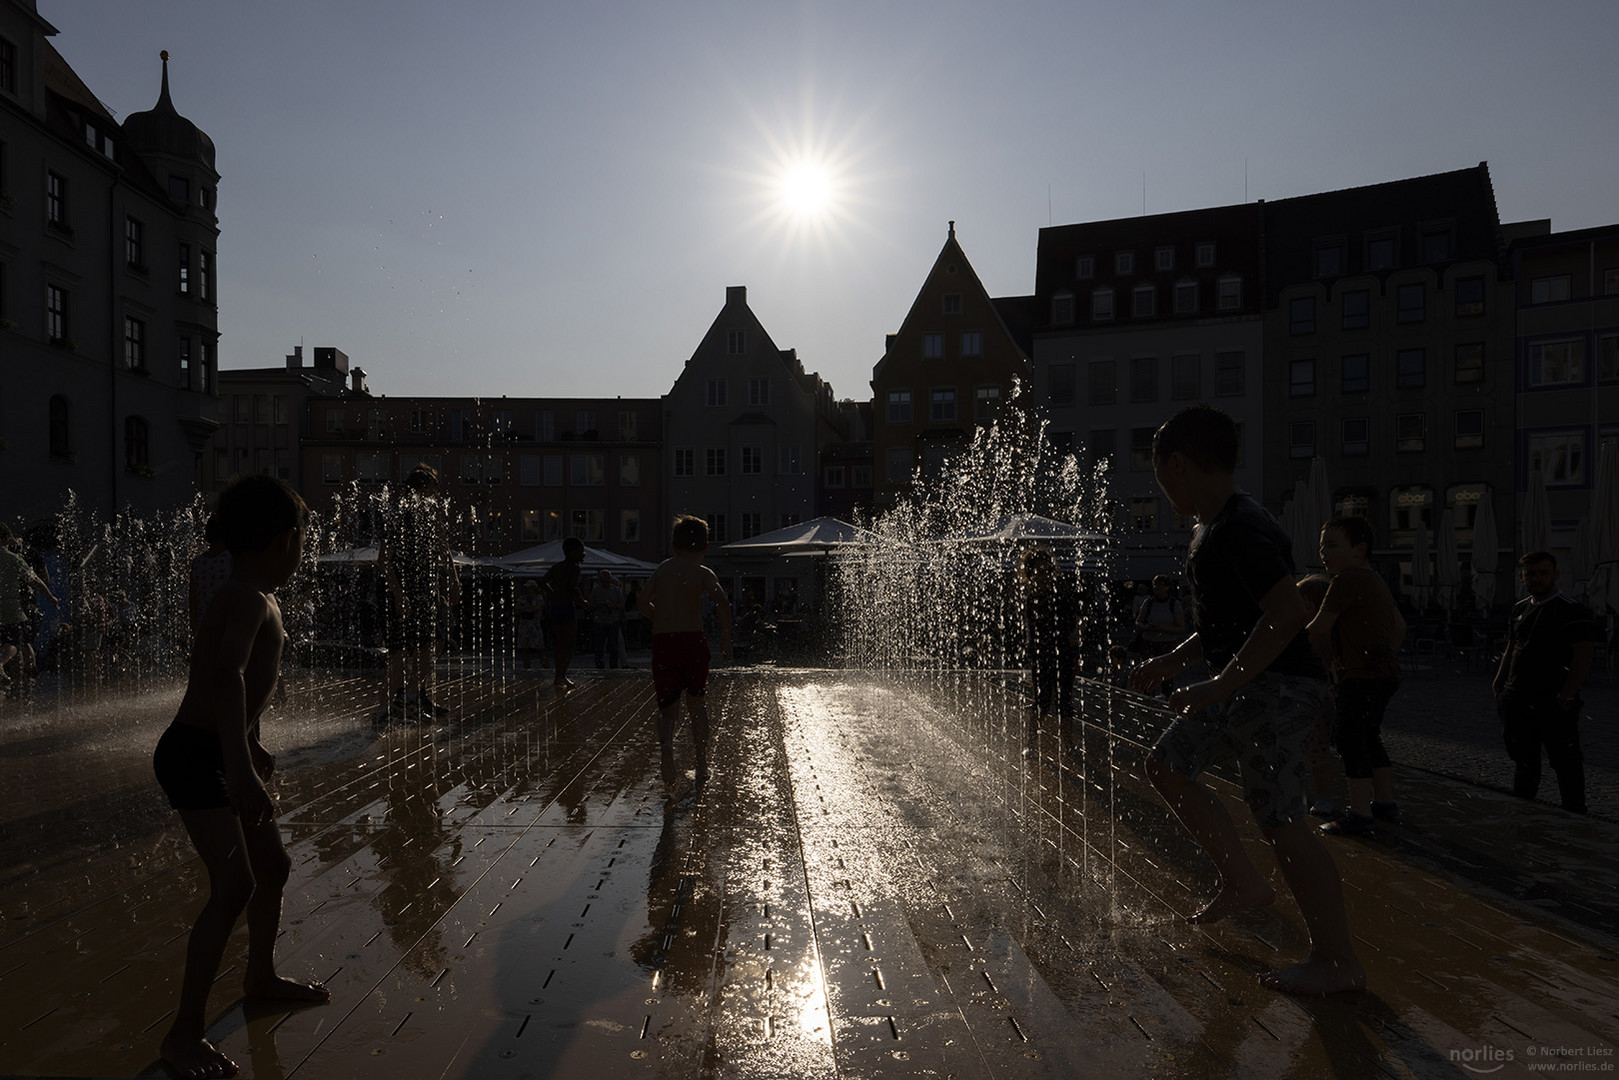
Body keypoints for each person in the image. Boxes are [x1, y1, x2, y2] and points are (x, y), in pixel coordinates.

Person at [1130, 405, 1363, 997]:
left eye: (1160, 475)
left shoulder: (1241, 527)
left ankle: (1337, 961)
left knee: (1280, 816)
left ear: (1177, 464)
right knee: (1166, 766)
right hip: (1238, 680)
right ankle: (1242, 881)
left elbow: (1286, 615)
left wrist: (1217, 683)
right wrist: (1173, 661)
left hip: (1279, 686)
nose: (1160, 488)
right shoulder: (1211, 527)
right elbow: (1225, 623)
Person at [150, 475, 329, 1080]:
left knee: (271, 868)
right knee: (233, 888)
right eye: (302, 539)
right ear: (284, 541)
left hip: (221, 748)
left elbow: (235, 688)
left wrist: (253, 743)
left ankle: (259, 974)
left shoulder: (249, 593)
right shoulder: (249, 598)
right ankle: (181, 1037)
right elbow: (224, 679)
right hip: (197, 755)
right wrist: (238, 766)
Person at [1308, 518, 1407, 836]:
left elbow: (1318, 629)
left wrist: (1280, 646)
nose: (1323, 551)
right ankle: (1385, 805)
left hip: (1360, 675)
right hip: (1382, 674)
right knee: (1369, 737)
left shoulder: (1346, 579)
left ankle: (1360, 815)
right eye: (1322, 545)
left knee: (1350, 740)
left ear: (1359, 549)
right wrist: (1382, 655)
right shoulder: (1373, 579)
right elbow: (1400, 627)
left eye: (1332, 545)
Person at [1493, 551, 1598, 814]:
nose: (1536, 579)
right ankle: (1523, 808)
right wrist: (1499, 682)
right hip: (1517, 698)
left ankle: (1574, 815)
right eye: (1530, 574)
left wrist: (1567, 694)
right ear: (1521, 577)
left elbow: (1583, 654)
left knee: (1565, 761)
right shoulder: (1519, 608)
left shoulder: (1571, 609)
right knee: (1524, 760)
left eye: (1543, 573)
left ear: (1555, 575)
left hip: (1553, 701)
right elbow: (1511, 646)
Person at [638, 515, 733, 793]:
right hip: (693, 641)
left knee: (668, 709)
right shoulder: (703, 572)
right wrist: (726, 638)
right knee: (697, 703)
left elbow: (642, 601)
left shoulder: (664, 569)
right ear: (705, 548)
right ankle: (702, 763)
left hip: (664, 642)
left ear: (673, 545)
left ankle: (667, 745)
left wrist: (660, 617)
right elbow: (722, 602)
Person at [379, 464, 461, 720]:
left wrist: (454, 579)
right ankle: (385, 708)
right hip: (403, 587)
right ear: (420, 489)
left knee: (437, 640)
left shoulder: (431, 515)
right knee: (399, 650)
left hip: (427, 588)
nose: (435, 495)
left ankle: (413, 695)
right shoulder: (399, 516)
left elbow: (443, 548)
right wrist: (397, 593)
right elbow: (383, 560)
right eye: (432, 489)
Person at [1018, 547, 1079, 753]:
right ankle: (1030, 743)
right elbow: (1030, 625)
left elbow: (1075, 618)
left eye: (1046, 571)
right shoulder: (1030, 598)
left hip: (1064, 651)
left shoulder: (1061, 592)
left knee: (1064, 699)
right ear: (1030, 573)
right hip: (1041, 653)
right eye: (1038, 572)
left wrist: (1074, 634)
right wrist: (1030, 643)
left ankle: (1068, 744)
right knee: (1041, 700)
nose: (1043, 576)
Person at [1295, 574, 1342, 820]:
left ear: (1312, 606)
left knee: (1316, 750)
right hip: (1305, 698)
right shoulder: (1315, 631)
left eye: (1299, 602)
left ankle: (1324, 798)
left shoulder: (1317, 633)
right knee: (1306, 750)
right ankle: (1312, 796)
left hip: (1315, 699)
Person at [1, 523, 57, 693]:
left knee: (10, 642)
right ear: (8, 538)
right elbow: (39, 580)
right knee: (17, 642)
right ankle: (26, 676)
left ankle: (12, 682)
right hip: (14, 608)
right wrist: (50, 597)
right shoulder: (15, 558)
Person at [540, 537, 589, 689]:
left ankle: (558, 676)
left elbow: (542, 582)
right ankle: (562, 675)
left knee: (560, 643)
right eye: (581, 552)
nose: (584, 555)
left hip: (555, 606)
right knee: (569, 644)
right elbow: (573, 589)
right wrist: (584, 603)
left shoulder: (557, 567)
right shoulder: (574, 568)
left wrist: (553, 594)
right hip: (567, 607)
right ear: (572, 552)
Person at [189, 513, 232, 632]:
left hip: (204, 627)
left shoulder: (198, 562)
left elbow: (193, 600)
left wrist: (194, 626)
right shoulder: (231, 559)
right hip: (226, 625)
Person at [1134, 574, 1187, 658]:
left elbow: (1181, 628)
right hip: (1149, 643)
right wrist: (1146, 628)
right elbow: (1138, 622)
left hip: (1167, 643)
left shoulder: (1174, 604)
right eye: (1155, 584)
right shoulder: (1148, 602)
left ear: (1167, 587)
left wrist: (1162, 629)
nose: (1156, 587)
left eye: (1159, 585)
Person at [589, 569, 626, 669]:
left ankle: (613, 667)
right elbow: (591, 604)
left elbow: (622, 604)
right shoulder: (596, 590)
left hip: (612, 621)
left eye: (606, 578)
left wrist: (612, 606)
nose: (604, 580)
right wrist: (598, 606)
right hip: (599, 621)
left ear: (610, 579)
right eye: (602, 579)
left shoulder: (616, 590)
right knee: (599, 647)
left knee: (613, 646)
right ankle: (600, 666)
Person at [513, 579, 547, 671]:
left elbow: (536, 608)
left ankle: (546, 666)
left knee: (540, 647)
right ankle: (526, 667)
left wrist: (523, 609)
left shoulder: (539, 598)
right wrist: (528, 609)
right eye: (526, 588)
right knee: (525, 648)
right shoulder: (522, 598)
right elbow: (516, 610)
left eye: (529, 588)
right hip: (524, 626)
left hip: (535, 626)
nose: (527, 589)